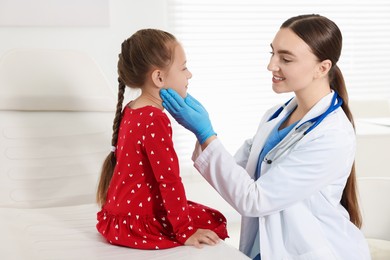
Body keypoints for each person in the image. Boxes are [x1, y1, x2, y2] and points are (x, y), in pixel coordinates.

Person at [160, 14, 371, 259]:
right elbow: (238, 176)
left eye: (286, 58)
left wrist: (206, 133)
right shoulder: (276, 116)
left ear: (322, 68)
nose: (271, 65)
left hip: (313, 251)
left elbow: (254, 199)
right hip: (266, 247)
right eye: (272, 53)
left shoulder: (332, 136)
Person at [95, 29, 228, 250]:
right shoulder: (154, 118)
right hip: (139, 222)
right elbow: (169, 180)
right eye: (184, 67)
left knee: (198, 212)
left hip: (117, 220)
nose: (189, 75)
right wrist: (184, 231)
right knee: (214, 219)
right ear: (159, 77)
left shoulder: (132, 109)